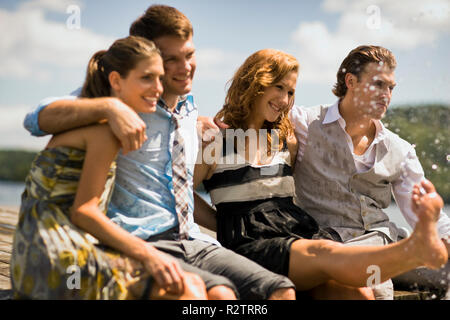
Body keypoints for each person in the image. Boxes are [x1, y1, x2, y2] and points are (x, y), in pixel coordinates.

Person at [22, 5, 295, 300]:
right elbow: (35, 119)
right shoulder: (122, 100)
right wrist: (108, 108)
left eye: (189, 55)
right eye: (171, 59)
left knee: (280, 291)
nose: (185, 66)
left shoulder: (189, 109)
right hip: (140, 240)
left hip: (193, 240)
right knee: (217, 297)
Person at [194, 48, 448, 300]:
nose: (284, 99)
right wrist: (222, 222)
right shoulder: (218, 141)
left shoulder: (286, 140)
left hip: (308, 233)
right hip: (271, 244)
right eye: (278, 87)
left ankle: (413, 251)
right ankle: (413, 251)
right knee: (328, 254)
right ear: (255, 83)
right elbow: (182, 192)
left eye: (290, 91)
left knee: (358, 293)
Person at [11, 36, 208, 300]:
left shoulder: (91, 119)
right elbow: (83, 212)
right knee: (187, 291)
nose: (158, 88)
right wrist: (149, 254)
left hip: (29, 250)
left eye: (160, 78)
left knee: (193, 286)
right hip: (57, 250)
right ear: (116, 81)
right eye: (147, 78)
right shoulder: (105, 130)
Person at [288, 45, 450, 299]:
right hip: (327, 243)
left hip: (382, 239)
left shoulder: (400, 149)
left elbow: (423, 214)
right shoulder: (305, 123)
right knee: (372, 289)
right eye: (378, 85)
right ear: (350, 81)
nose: (386, 95)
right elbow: (254, 115)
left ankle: (409, 252)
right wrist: (205, 122)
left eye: (391, 88)